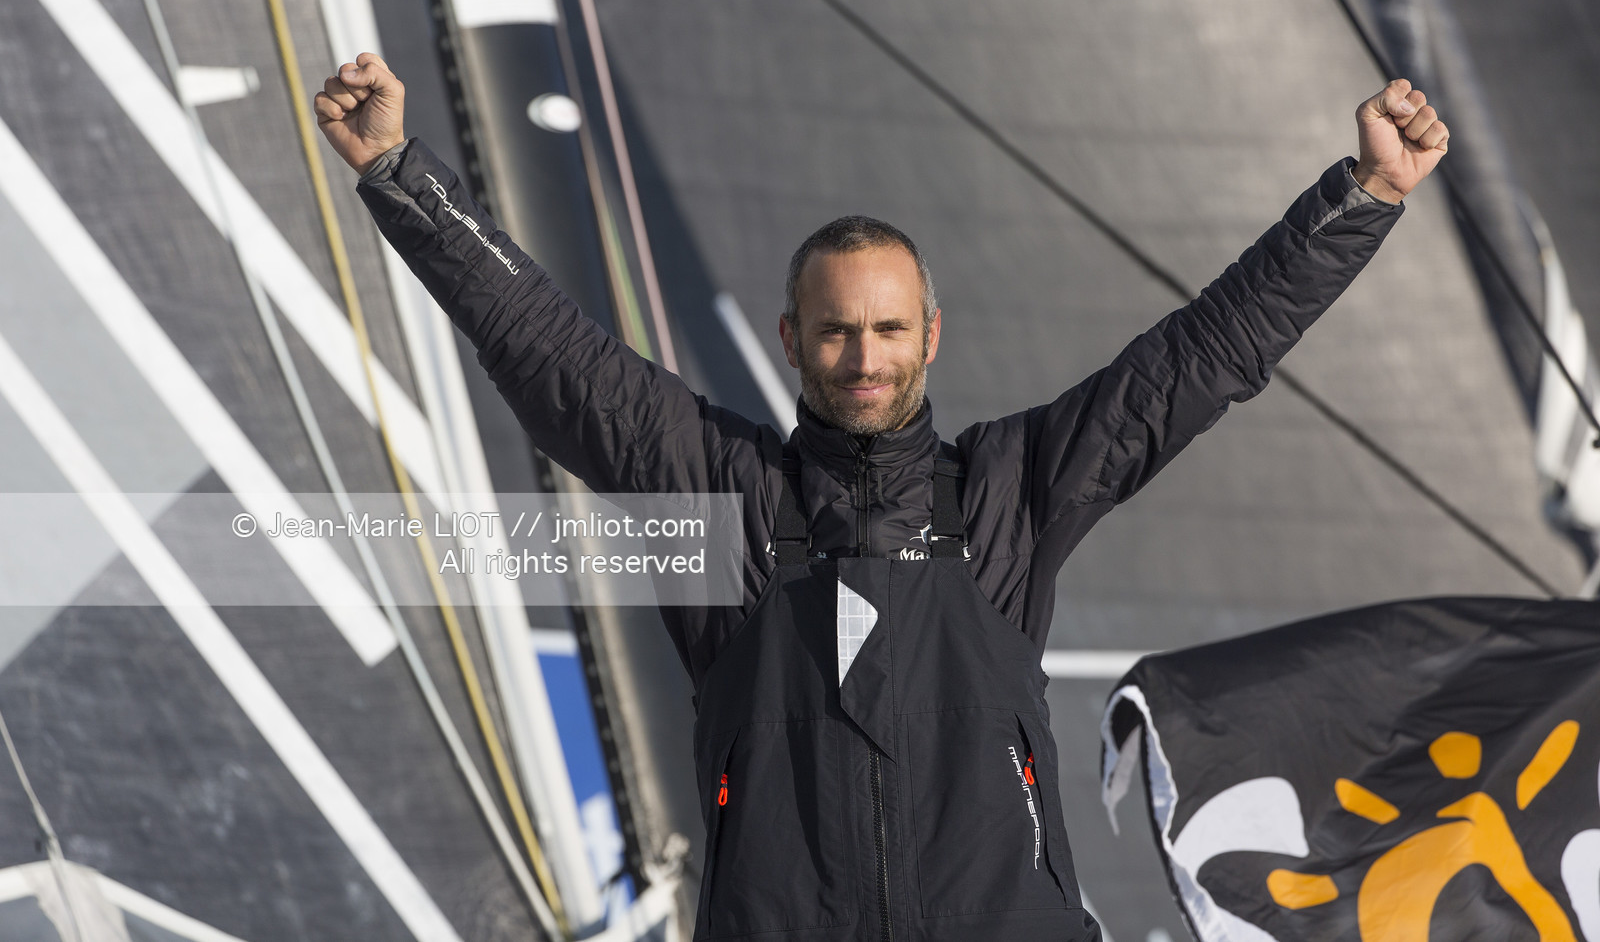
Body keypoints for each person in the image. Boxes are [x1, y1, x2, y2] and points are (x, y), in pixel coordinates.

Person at [317, 53, 1447, 942]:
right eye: (838, 329)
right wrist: (396, 173)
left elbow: (1199, 360)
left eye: (889, 327)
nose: (864, 354)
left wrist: (1361, 195)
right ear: (794, 342)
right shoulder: (724, 494)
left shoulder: (1009, 490)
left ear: (929, 337)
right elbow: (548, 351)